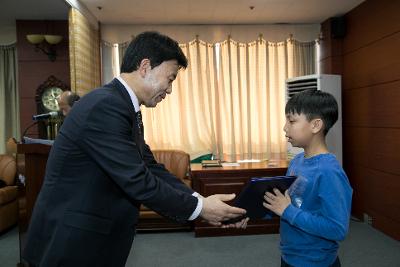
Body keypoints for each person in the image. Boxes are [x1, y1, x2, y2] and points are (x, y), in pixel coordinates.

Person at [22, 31, 247, 267]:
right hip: (72, 242)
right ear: (145, 66)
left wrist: (200, 200)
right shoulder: (106, 106)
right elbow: (138, 180)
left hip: (91, 239)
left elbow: (151, 168)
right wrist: (201, 209)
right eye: (170, 79)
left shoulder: (122, 107)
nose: (169, 90)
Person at [263, 90, 352, 267]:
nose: (285, 127)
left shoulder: (329, 172)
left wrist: (287, 211)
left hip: (315, 262)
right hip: (290, 255)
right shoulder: (296, 161)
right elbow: (291, 203)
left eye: (292, 120)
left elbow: (337, 229)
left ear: (315, 125)